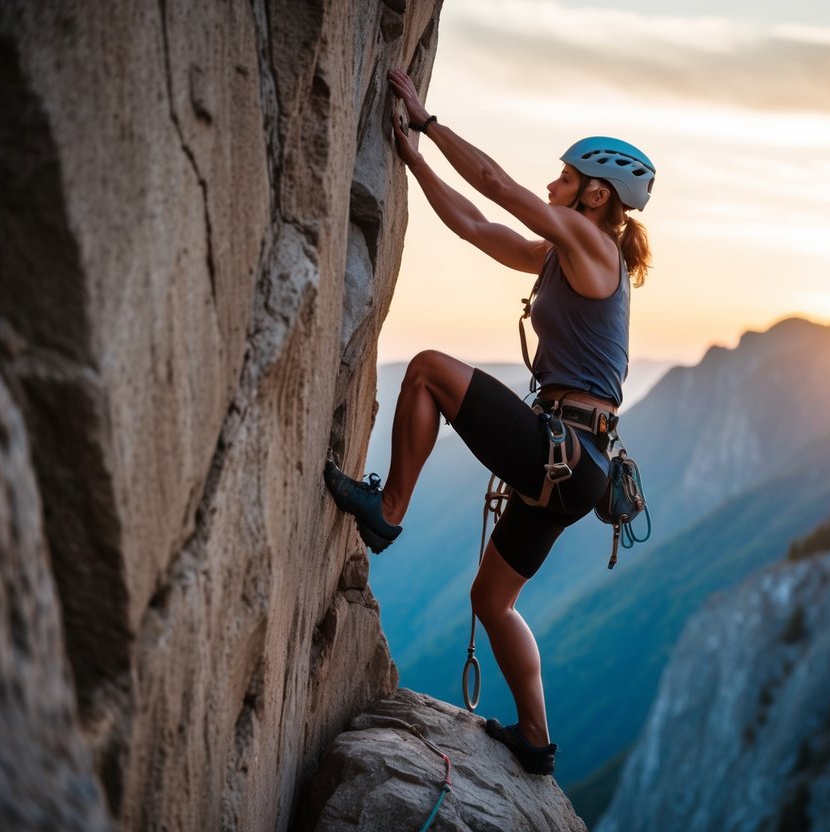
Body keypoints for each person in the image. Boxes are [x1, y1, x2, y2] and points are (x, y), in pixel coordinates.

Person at [324, 68, 654, 776]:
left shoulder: (593, 246)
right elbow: (477, 224)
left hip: (560, 450)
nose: (549, 186)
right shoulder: (562, 255)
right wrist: (413, 162)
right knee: (492, 600)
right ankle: (535, 738)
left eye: (564, 179)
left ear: (596, 194)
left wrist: (429, 122)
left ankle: (388, 508)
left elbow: (498, 188)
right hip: (578, 467)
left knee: (427, 370)